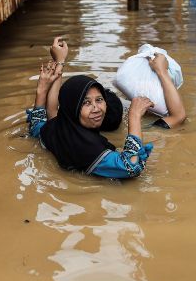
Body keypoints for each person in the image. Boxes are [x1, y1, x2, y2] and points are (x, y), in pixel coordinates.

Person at [26, 37, 155, 178]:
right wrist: (134, 116)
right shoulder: (86, 147)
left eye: (99, 100)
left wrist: (43, 87)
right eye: (86, 102)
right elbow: (131, 167)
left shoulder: (58, 128)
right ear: (72, 109)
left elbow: (39, 123)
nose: (96, 108)